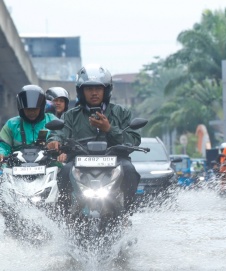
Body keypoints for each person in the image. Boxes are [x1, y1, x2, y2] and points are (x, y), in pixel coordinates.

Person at [46, 64, 141, 215]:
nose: (94, 93)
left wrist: (109, 129)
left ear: (106, 90)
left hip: (115, 160)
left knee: (129, 170)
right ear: (81, 91)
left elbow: (133, 140)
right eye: (89, 89)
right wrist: (55, 141)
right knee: (63, 171)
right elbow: (59, 133)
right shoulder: (70, 115)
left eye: (98, 88)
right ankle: (64, 215)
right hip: (79, 161)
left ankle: (127, 214)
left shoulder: (121, 112)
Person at [0, 85, 57, 161]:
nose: (31, 112)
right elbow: (3, 145)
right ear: (21, 108)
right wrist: (1, 153)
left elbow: (62, 135)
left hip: (49, 165)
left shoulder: (52, 120)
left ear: (42, 107)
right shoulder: (11, 124)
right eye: (28, 109)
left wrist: (55, 142)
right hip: (16, 167)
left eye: (35, 109)